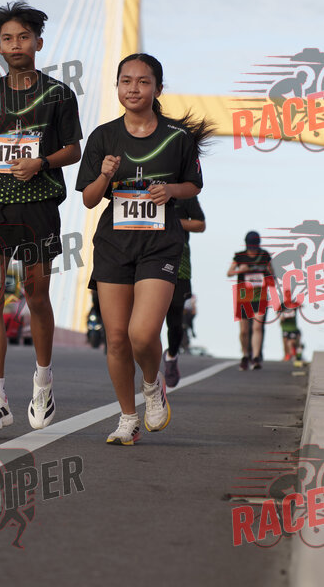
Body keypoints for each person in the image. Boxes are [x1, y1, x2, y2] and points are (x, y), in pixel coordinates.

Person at [76, 53, 212, 445]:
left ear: (158, 88)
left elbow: (194, 186)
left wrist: (170, 190)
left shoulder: (178, 137)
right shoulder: (103, 136)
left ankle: (152, 386)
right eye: (126, 81)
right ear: (117, 86)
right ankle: (127, 418)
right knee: (117, 338)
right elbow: (89, 199)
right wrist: (104, 175)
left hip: (160, 245)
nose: (133, 88)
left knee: (141, 332)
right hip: (114, 244)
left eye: (143, 81)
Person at [0, 0, 82, 431]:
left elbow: (74, 150)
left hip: (39, 204)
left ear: (38, 43)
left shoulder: (59, 94)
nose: (16, 44)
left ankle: (43, 383)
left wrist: (41, 163)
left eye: (24, 37)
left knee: (36, 296)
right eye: (8, 38)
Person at [163, 197, 206, 387]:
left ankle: (172, 356)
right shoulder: (142, 186)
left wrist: (171, 221)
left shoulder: (185, 193)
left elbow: (200, 224)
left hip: (179, 262)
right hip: (145, 257)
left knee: (175, 319)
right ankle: (149, 371)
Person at [227, 231, 274, 371]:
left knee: (257, 327)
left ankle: (256, 357)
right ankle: (245, 355)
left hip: (260, 296)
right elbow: (229, 273)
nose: (252, 250)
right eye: (250, 247)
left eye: (254, 247)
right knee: (244, 330)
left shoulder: (264, 255)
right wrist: (240, 270)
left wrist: (267, 272)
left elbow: (272, 275)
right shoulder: (240, 256)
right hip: (243, 297)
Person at [279, 289, 303, 363]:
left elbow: (301, 305)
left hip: (293, 328)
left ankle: (295, 355)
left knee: (292, 342)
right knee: (285, 342)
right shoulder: (282, 305)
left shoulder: (294, 304)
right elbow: (279, 315)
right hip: (285, 327)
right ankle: (287, 355)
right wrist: (282, 318)